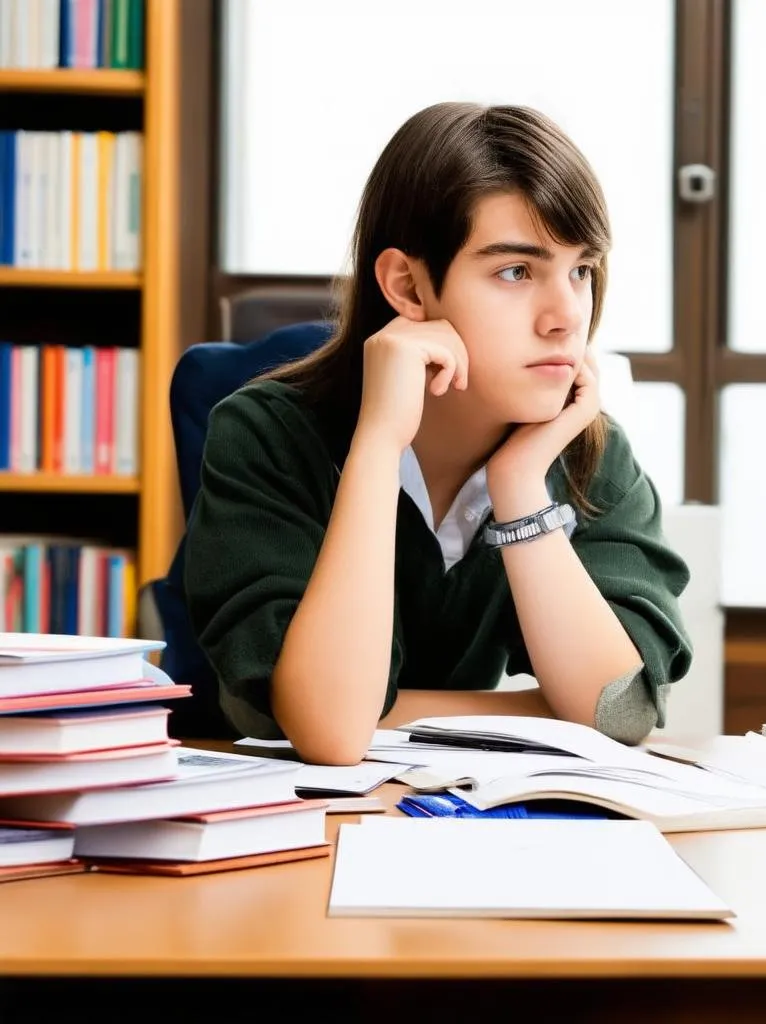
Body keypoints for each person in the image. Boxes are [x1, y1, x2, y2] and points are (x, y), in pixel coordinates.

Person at [184, 102, 691, 765]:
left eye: (582, 270)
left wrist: (518, 487)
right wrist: (377, 442)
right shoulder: (264, 435)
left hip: (473, 823)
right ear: (408, 286)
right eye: (516, 271)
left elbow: (617, 714)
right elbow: (334, 731)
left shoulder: (586, 454)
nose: (567, 315)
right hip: (288, 831)